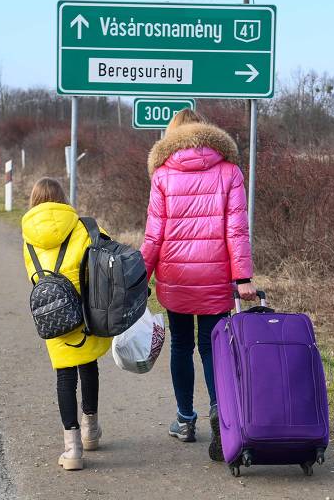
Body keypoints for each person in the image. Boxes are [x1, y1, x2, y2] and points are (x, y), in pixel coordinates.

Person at [140, 109, 256, 461]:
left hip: (176, 275)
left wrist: (139, 277)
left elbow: (154, 233)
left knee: (180, 347)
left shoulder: (162, 174)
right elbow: (237, 229)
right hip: (216, 275)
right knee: (212, 347)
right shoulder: (229, 171)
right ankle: (221, 413)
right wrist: (243, 277)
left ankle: (185, 420)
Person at [21, 178, 111, 471]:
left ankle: (72, 451)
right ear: (62, 198)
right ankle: (91, 431)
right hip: (85, 312)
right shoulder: (84, 227)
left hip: (53, 314)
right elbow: (105, 256)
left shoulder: (28, 239)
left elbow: (33, 278)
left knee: (64, 378)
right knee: (89, 366)